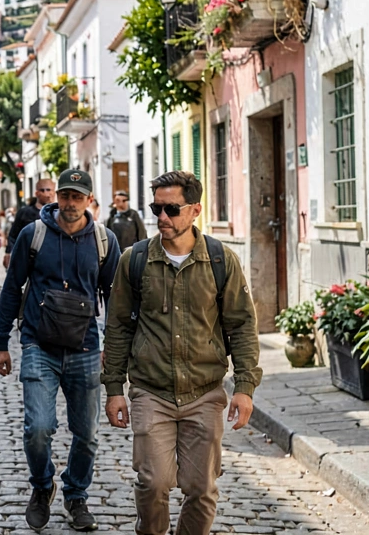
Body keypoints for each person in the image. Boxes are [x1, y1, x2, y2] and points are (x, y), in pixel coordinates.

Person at [102, 170, 262, 535]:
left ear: (195, 210)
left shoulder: (221, 261)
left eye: (171, 209)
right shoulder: (135, 259)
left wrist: (244, 387)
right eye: (156, 207)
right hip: (150, 392)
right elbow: (118, 328)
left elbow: (240, 325)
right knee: (153, 483)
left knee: (202, 489)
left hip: (204, 393)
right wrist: (113, 389)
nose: (162, 217)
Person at [0, 169, 120, 532]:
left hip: (84, 349)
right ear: (55, 197)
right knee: (38, 427)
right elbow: (12, 288)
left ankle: (76, 494)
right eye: (64, 196)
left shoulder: (103, 240)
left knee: (87, 433)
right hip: (38, 344)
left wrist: (113, 344)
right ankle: (42, 485)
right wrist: (1, 342)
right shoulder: (34, 234)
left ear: (89, 200)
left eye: (77, 197)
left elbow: (114, 296)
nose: (69, 203)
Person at [4, 179, 55, 269]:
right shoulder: (25, 212)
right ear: (36, 193)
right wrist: (8, 252)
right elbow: (13, 234)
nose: (47, 194)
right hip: (27, 257)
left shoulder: (58, 214)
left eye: (49, 190)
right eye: (43, 190)